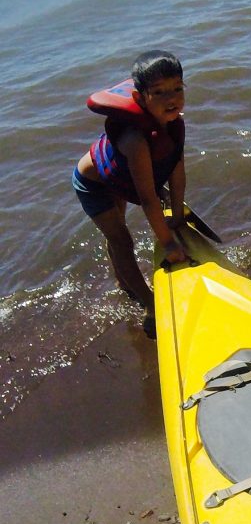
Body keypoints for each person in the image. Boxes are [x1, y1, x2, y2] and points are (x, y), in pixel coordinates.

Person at [72, 50, 189, 338]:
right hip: (94, 186)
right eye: (159, 92)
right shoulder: (135, 141)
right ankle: (149, 305)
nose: (171, 98)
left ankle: (123, 282)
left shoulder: (175, 124)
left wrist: (176, 216)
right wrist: (168, 243)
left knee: (119, 237)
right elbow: (148, 200)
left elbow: (177, 170)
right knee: (122, 239)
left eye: (177, 89)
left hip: (121, 177)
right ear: (140, 98)